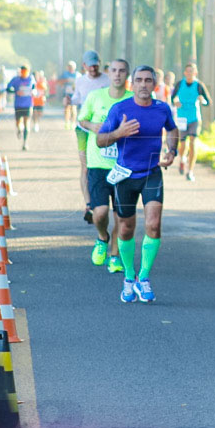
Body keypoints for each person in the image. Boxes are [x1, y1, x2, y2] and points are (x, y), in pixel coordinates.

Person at [97, 65, 178, 303]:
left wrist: (172, 150)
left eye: (148, 80)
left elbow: (172, 130)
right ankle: (129, 278)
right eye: (139, 80)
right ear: (133, 84)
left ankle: (144, 277)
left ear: (155, 84)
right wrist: (118, 133)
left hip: (152, 173)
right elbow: (101, 140)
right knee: (125, 229)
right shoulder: (120, 109)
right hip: (125, 176)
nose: (144, 84)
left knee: (153, 225)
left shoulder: (162, 108)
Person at [78, 59, 132, 274]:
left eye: (122, 71)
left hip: (124, 166)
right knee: (100, 213)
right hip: (98, 163)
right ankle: (102, 237)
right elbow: (82, 120)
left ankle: (114, 255)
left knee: (121, 216)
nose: (117, 75)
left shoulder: (132, 99)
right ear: (108, 73)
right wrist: (93, 125)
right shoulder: (95, 97)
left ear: (127, 75)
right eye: (114, 70)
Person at [71, 51, 109, 223]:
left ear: (99, 63)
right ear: (84, 66)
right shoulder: (80, 80)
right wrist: (69, 100)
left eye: (95, 64)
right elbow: (76, 98)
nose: (93, 68)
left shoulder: (108, 80)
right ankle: (89, 204)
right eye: (90, 65)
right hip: (83, 128)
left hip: (103, 129)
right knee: (85, 166)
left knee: (100, 166)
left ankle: (103, 201)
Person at [171, 62, 211, 182]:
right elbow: (173, 98)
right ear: (185, 73)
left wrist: (202, 100)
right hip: (182, 117)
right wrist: (176, 102)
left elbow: (207, 102)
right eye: (188, 71)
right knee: (183, 144)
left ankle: (191, 171)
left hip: (195, 118)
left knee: (193, 142)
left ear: (195, 73)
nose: (189, 73)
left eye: (192, 71)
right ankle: (182, 158)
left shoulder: (199, 85)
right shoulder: (179, 84)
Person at [5, 65, 33, 150]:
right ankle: (19, 129)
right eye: (23, 71)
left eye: (26, 71)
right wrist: (16, 91)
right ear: (21, 71)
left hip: (28, 105)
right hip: (18, 105)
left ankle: (25, 143)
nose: (24, 73)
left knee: (26, 123)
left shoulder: (31, 79)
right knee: (18, 123)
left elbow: (34, 88)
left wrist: (33, 92)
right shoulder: (16, 79)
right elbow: (8, 88)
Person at [60, 60, 78, 128]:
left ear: (74, 67)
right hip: (67, 93)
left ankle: (73, 122)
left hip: (75, 93)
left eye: (71, 67)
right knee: (67, 108)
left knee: (73, 108)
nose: (70, 68)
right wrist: (66, 80)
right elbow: (60, 82)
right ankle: (67, 122)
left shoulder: (77, 74)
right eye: (69, 66)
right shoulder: (65, 74)